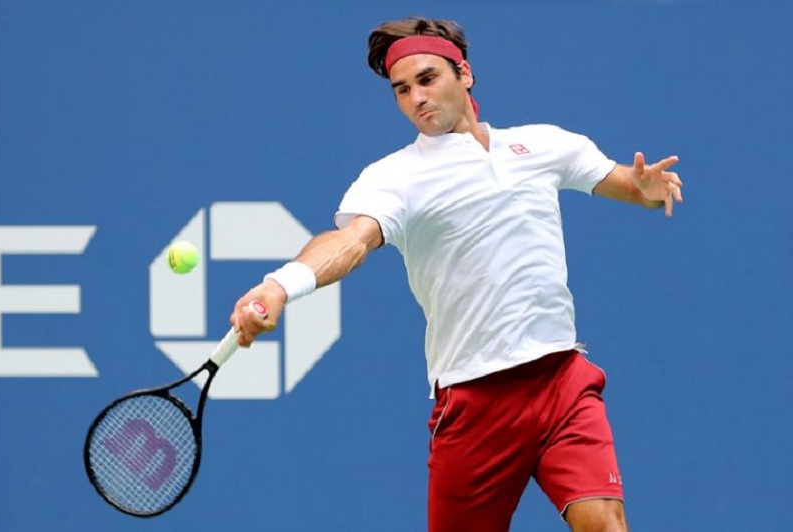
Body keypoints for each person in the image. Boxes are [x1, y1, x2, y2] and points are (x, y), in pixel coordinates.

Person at [231, 17, 682, 532]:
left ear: (464, 74)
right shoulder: (394, 177)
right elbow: (350, 242)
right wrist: (281, 285)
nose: (417, 98)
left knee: (605, 524)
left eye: (427, 79)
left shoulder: (543, 144)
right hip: (474, 401)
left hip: (561, 379)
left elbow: (630, 185)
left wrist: (648, 189)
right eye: (402, 90)